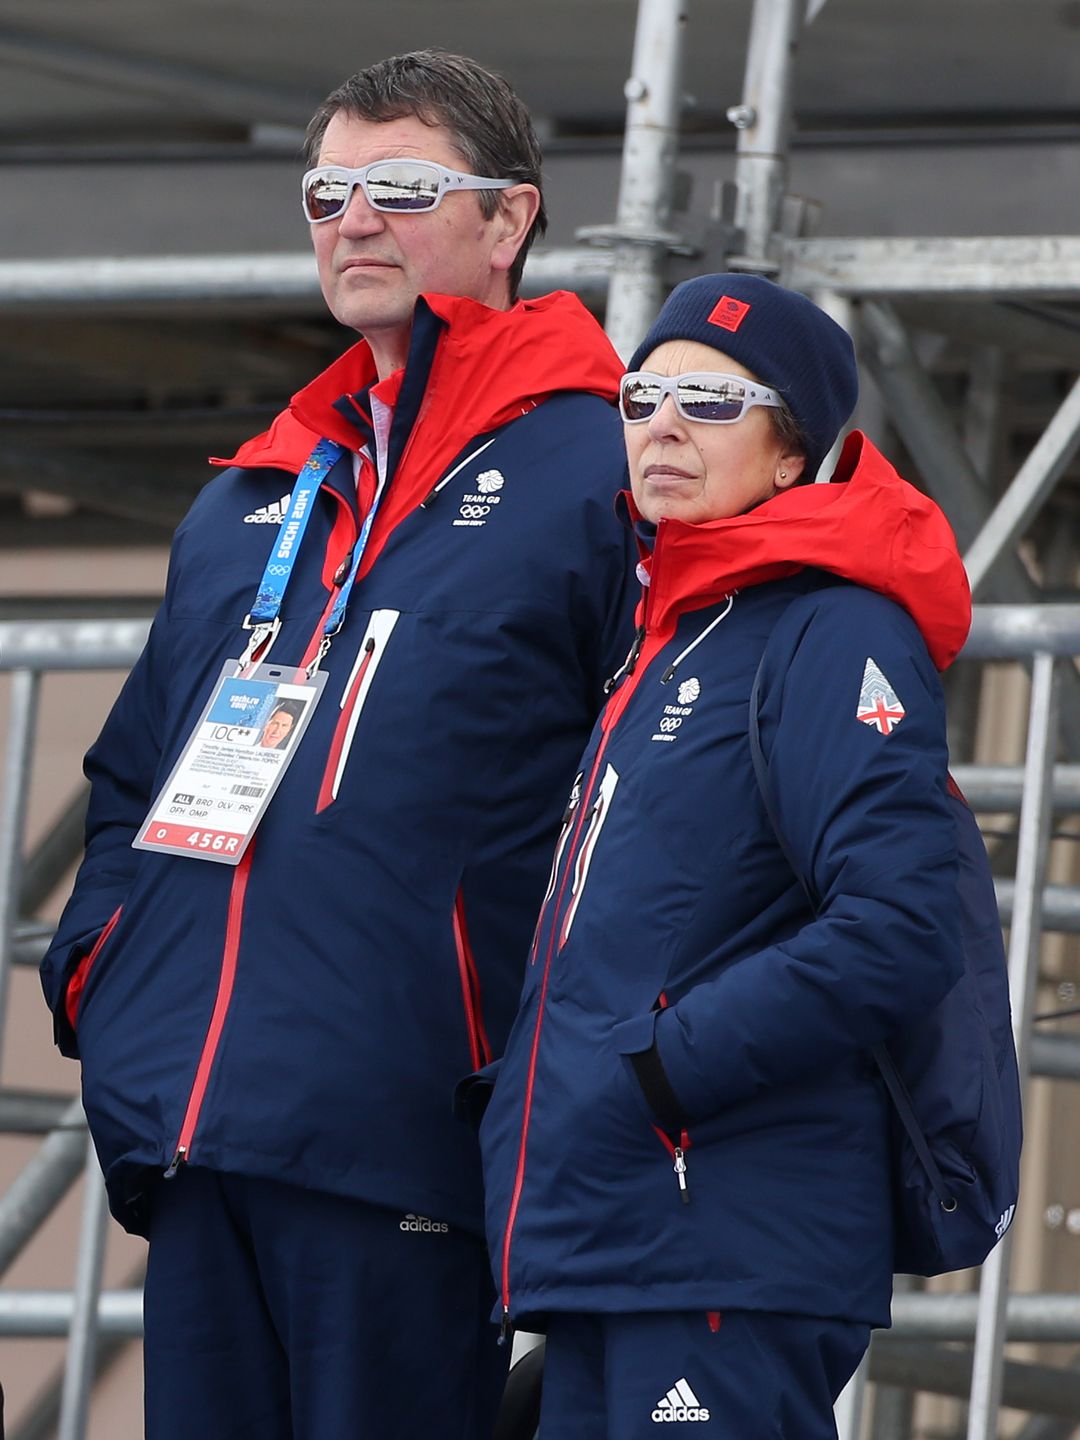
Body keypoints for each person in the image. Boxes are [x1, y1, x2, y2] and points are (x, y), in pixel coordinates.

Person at [39, 50, 636, 1440]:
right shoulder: (260, 492)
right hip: (195, 1122)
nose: (353, 221)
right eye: (327, 192)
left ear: (509, 221)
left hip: (407, 1123)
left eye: (402, 188)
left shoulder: (603, 474)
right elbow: (132, 779)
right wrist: (104, 981)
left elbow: (662, 796)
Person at [471, 274, 973, 1439]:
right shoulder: (666, 636)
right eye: (642, 395)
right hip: (613, 1235)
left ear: (793, 452)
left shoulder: (829, 626)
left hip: (720, 1236)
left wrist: (660, 1067)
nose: (661, 425)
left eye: (709, 400)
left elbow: (898, 928)